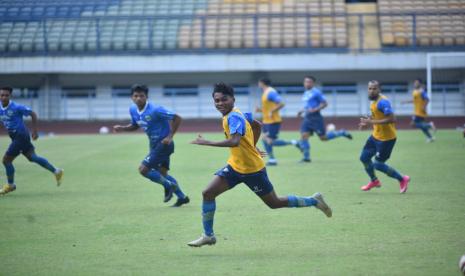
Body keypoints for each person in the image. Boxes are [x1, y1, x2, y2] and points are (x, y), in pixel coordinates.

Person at [187, 83, 332, 247]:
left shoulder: (234, 117)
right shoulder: (239, 112)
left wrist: (207, 142)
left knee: (274, 203)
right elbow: (257, 125)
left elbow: (234, 141)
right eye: (217, 100)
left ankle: (314, 200)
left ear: (233, 99)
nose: (220, 103)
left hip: (252, 171)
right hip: (235, 167)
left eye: (224, 100)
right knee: (208, 193)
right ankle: (208, 235)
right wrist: (252, 145)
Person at [113, 84, 189, 207]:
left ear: (146, 97)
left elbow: (177, 118)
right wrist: (122, 128)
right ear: (132, 97)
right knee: (163, 174)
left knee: (143, 170)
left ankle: (167, 186)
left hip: (164, 145)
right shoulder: (133, 109)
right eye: (135, 96)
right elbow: (135, 125)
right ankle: (182, 198)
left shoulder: (155, 109)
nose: (138, 98)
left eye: (141, 96)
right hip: (154, 145)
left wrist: (169, 136)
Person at [0, 86, 63, 195]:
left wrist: (35, 131)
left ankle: (11, 185)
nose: (4, 97)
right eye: (2, 95)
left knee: (6, 160)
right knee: (33, 157)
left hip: (21, 136)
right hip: (16, 137)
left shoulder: (16, 107)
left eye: (6, 95)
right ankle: (57, 171)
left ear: (10, 96)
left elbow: (33, 114)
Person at [359, 81, 410, 193]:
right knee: (364, 158)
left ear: (379, 90)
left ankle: (402, 179)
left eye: (374, 88)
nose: (371, 91)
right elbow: (375, 115)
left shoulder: (383, 102)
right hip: (375, 136)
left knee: (378, 164)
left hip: (387, 139)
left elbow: (392, 119)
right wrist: (366, 122)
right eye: (370, 88)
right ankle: (374, 181)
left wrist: (371, 121)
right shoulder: (373, 102)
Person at [297, 76, 352, 163]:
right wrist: (301, 110)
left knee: (323, 138)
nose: (307, 83)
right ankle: (306, 158)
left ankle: (342, 132)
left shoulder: (316, 92)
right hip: (307, 118)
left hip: (316, 118)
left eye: (309, 82)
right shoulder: (306, 93)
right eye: (306, 82)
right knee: (304, 136)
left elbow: (324, 103)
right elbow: (308, 105)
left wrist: (316, 109)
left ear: (313, 83)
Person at [255, 78, 297, 166]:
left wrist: (272, 111)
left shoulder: (270, 92)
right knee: (265, 139)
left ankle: (294, 142)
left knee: (270, 141)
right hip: (267, 121)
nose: (258, 84)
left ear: (262, 83)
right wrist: (261, 110)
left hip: (273, 121)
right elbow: (268, 108)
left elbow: (281, 103)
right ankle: (272, 159)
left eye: (258, 82)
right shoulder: (265, 93)